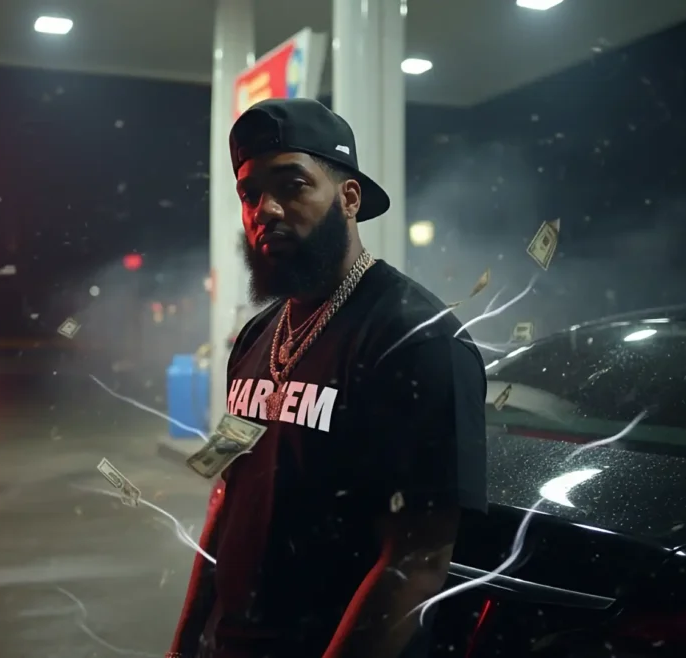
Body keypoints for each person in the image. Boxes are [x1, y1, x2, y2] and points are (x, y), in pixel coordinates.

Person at [168, 98, 488, 658]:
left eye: (291, 185)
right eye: (249, 193)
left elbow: (419, 558)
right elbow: (227, 490)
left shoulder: (419, 338)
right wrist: (188, 639)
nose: (264, 209)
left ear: (349, 197)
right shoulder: (255, 336)